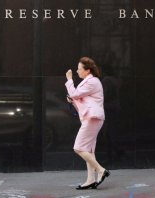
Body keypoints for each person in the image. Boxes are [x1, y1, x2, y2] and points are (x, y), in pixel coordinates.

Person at [65, 57, 110, 189]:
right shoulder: (89, 82)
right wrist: (72, 100)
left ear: (87, 70)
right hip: (91, 118)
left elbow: (74, 94)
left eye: (79, 69)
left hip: (93, 118)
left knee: (78, 148)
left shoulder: (92, 82)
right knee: (89, 150)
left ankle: (101, 170)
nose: (77, 71)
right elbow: (80, 98)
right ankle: (91, 179)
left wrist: (69, 80)